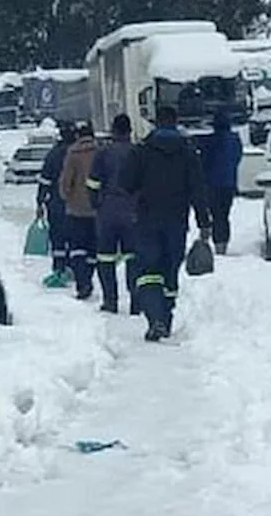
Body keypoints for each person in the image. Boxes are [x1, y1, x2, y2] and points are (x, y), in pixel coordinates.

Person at [119, 104, 211, 342]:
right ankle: (166, 316)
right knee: (170, 271)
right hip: (177, 222)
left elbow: (126, 182)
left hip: (147, 220)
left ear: (156, 122)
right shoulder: (188, 152)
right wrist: (204, 222)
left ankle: (155, 319)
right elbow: (198, 189)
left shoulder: (142, 151)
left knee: (149, 270)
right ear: (176, 121)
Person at [86, 113, 140, 315]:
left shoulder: (103, 153)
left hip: (107, 212)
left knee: (105, 258)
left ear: (113, 131)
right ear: (129, 131)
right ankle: (136, 301)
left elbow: (92, 183)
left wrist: (96, 204)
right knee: (133, 258)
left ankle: (110, 301)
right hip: (133, 213)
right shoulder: (137, 153)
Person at [58, 121, 100, 300]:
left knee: (77, 248)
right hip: (97, 209)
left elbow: (65, 183)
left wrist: (66, 196)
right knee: (93, 250)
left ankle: (82, 282)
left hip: (76, 210)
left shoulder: (72, 154)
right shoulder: (101, 152)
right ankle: (89, 277)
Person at [198, 109, 243, 255]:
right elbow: (237, 159)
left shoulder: (209, 142)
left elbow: (203, 162)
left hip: (211, 184)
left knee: (215, 214)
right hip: (229, 183)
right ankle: (223, 245)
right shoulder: (235, 140)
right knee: (224, 215)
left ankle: (216, 242)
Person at [38, 121, 77, 287]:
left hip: (56, 204)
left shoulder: (53, 154)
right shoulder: (77, 153)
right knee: (76, 238)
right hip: (78, 205)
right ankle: (75, 268)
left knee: (58, 239)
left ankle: (59, 268)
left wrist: (40, 202)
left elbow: (45, 181)